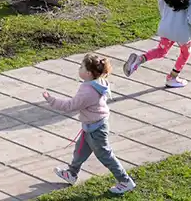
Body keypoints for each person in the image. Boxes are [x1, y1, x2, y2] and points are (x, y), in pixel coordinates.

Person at [44, 54, 136, 195]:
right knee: (80, 150)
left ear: (88, 73)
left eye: (81, 66)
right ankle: (72, 173)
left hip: (96, 130)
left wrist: (51, 100)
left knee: (105, 155)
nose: (78, 68)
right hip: (92, 126)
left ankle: (125, 181)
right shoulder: (97, 83)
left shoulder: (88, 91)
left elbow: (70, 105)